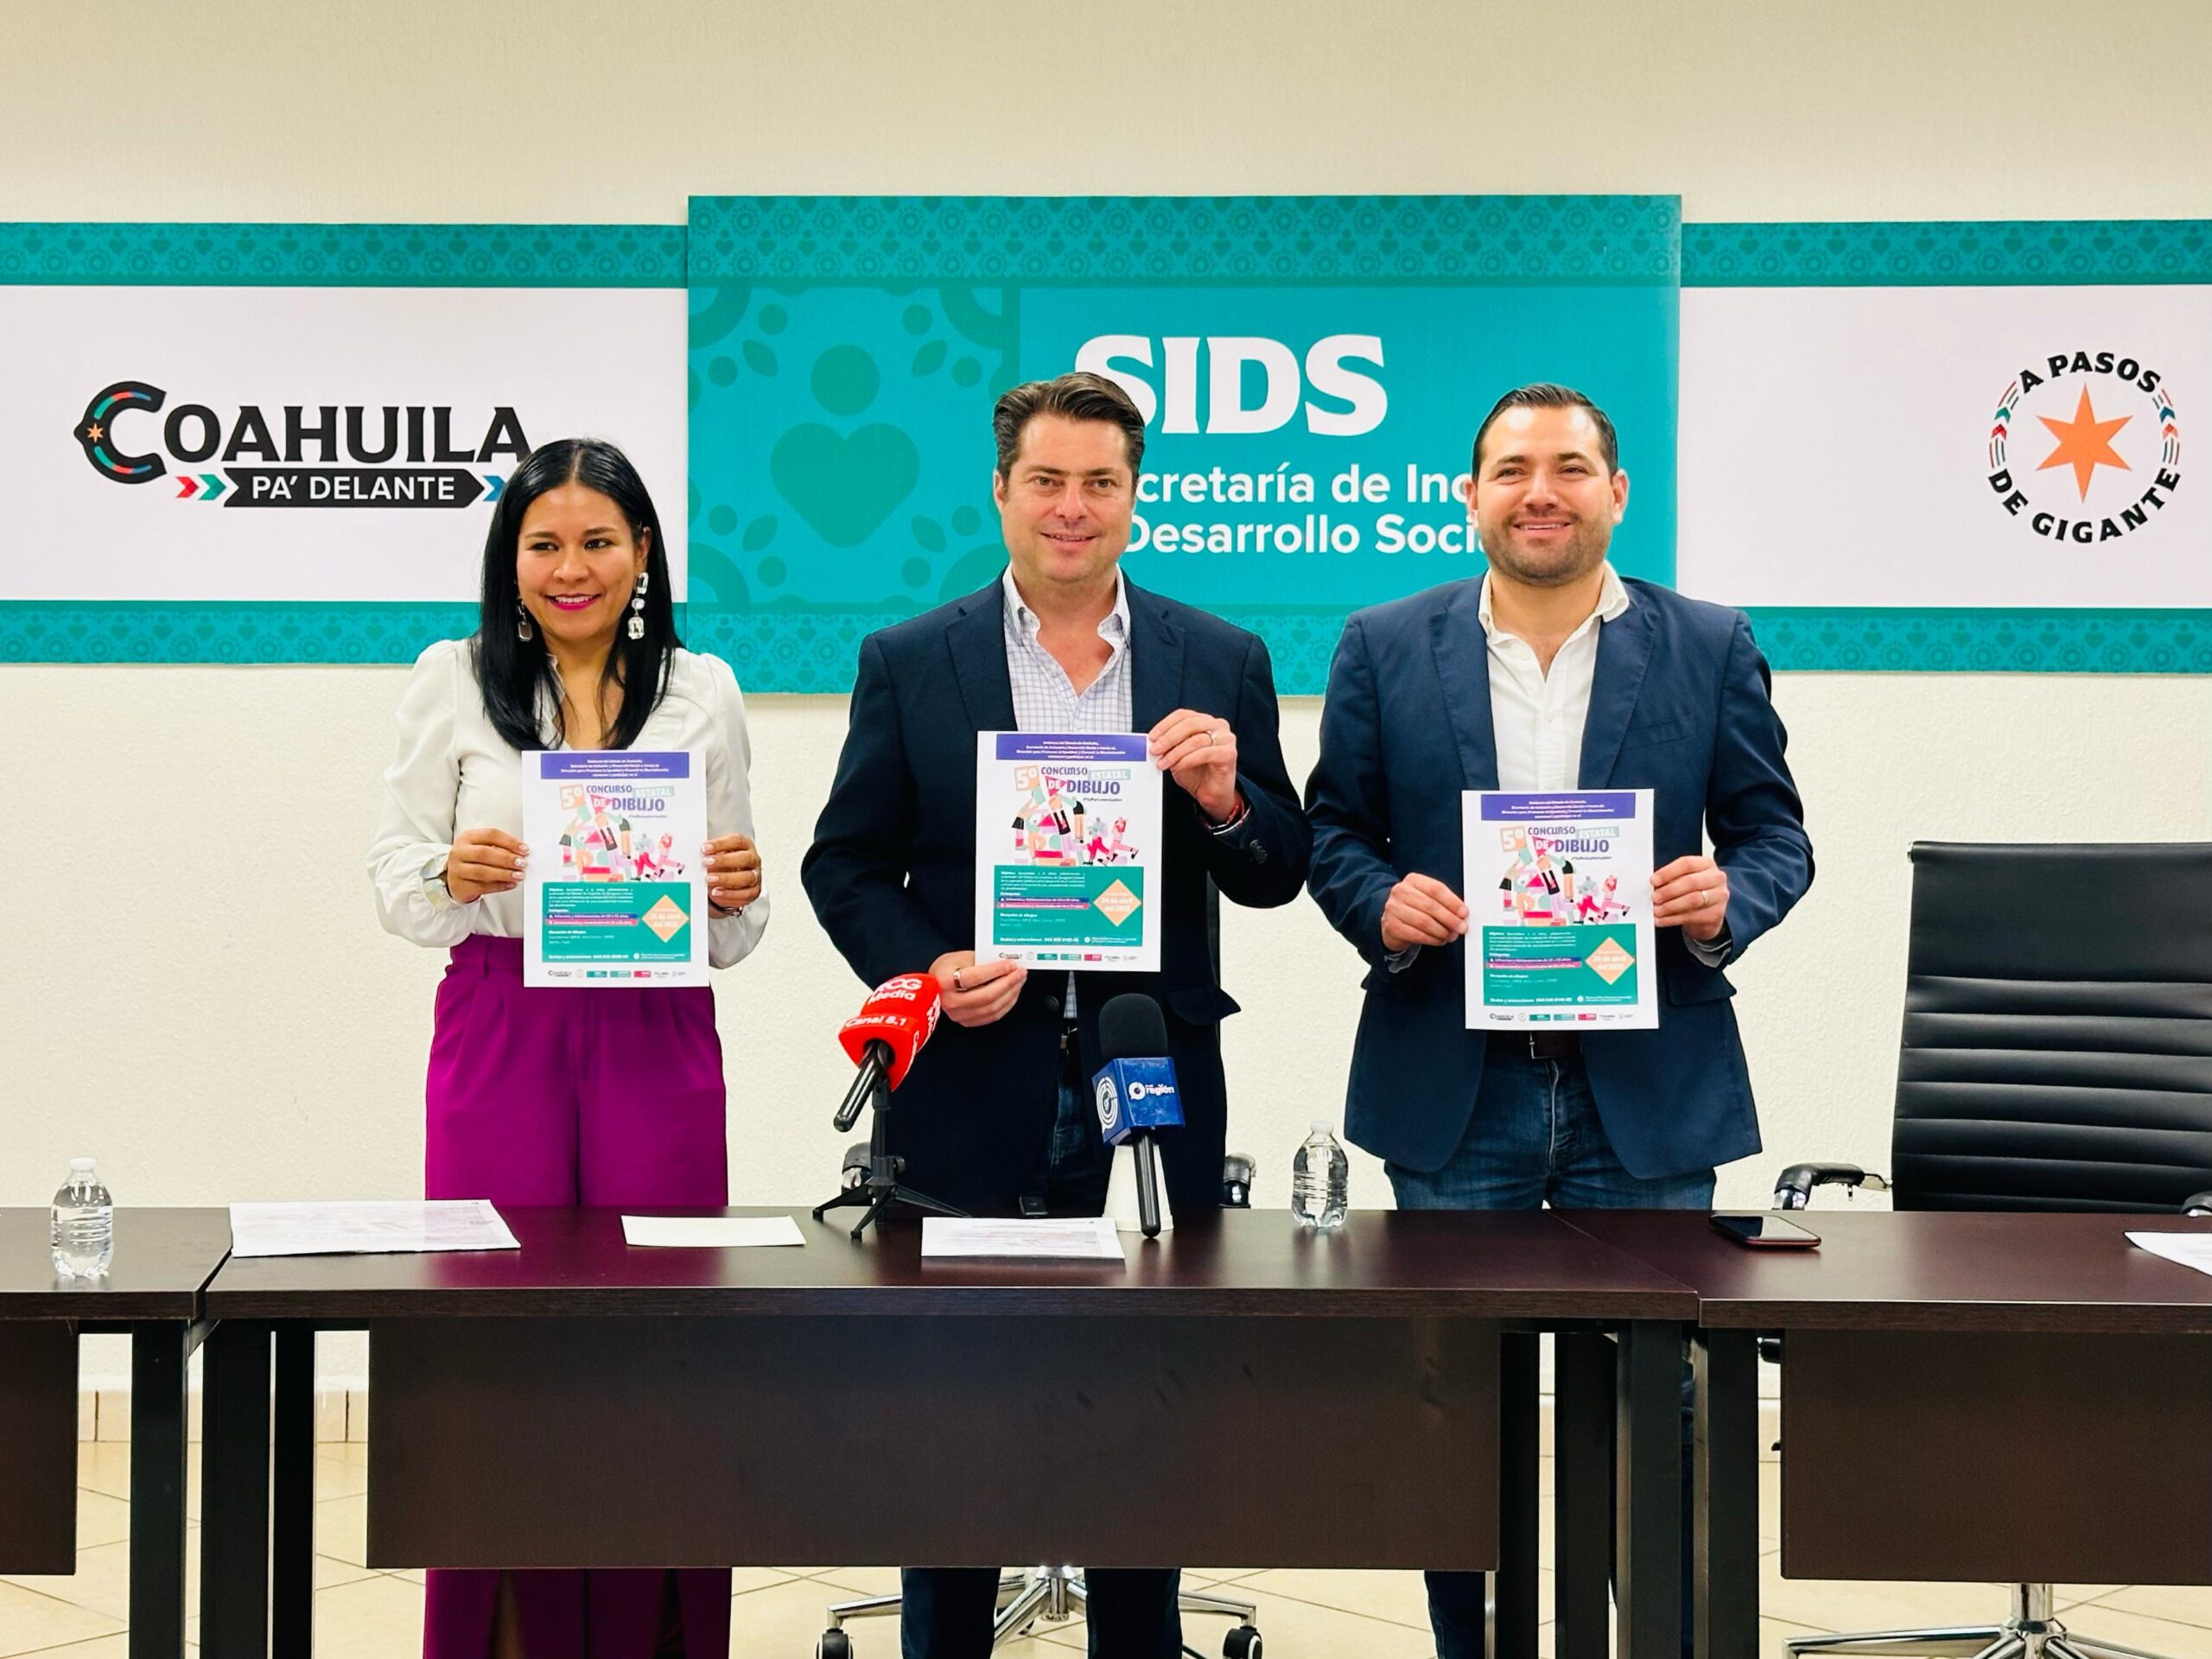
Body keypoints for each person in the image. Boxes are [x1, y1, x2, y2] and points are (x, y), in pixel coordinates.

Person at [802, 371, 1310, 1659]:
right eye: (1047, 481)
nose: (1071, 508)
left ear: (1135, 497)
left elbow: (1278, 869)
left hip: (1152, 1076)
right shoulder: (911, 659)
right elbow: (844, 865)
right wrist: (928, 969)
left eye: (1099, 483)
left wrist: (1224, 800)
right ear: (1001, 492)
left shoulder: (1220, 658)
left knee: (1148, 1413)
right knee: (953, 1420)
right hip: (969, 1087)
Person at [1303, 383, 1812, 1659]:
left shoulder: (1708, 644)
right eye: (1514, 469)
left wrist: (1726, 901)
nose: (1543, 492)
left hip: (1646, 1090)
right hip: (1451, 1084)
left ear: (1616, 493)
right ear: (1469, 494)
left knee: (1662, 1402)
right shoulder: (1383, 642)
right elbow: (1333, 832)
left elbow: (1777, 836)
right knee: (1455, 1405)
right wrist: (1380, 904)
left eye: (1571, 468)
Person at [367, 437, 767, 1659]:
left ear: (642, 553)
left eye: (599, 541)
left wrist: (734, 889)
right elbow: (393, 876)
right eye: (545, 544)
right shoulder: (450, 678)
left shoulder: (703, 689)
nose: (572, 568)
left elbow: (733, 929)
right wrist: (449, 872)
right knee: (496, 1336)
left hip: (656, 1027)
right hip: (502, 1022)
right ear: (512, 558)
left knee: (665, 1333)